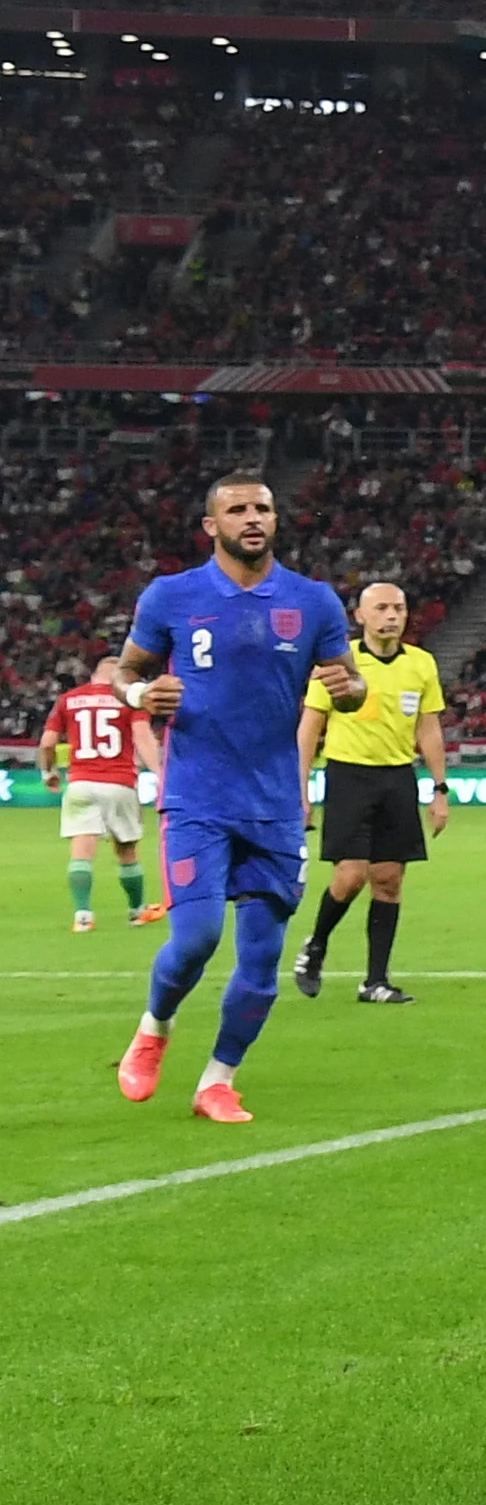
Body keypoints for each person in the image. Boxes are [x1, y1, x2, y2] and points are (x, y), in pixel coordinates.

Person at [113, 473, 366, 1123]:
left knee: (260, 962)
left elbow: (353, 686)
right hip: (197, 796)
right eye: (237, 509)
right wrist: (142, 696)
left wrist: (349, 689)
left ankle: (218, 1080)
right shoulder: (172, 595)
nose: (252, 517)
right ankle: (155, 1027)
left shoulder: (313, 602)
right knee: (195, 937)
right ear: (211, 525)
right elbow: (126, 671)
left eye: (263, 508)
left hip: (277, 804)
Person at [293, 582, 450, 1003]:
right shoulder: (337, 663)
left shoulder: (421, 664)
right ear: (360, 616)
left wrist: (440, 788)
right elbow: (310, 726)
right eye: (381, 608)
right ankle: (316, 946)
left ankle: (375, 981)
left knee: (390, 880)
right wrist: (301, 787)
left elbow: (428, 727)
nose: (392, 615)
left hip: (398, 777)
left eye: (398, 607)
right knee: (350, 876)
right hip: (349, 775)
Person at [45, 653, 161, 932]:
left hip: (80, 782)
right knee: (126, 850)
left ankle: (83, 916)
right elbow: (143, 737)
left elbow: (47, 743)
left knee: (82, 852)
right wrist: (160, 773)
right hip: (119, 782)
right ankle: (136, 911)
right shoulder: (129, 698)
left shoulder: (69, 699)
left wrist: (47, 773)